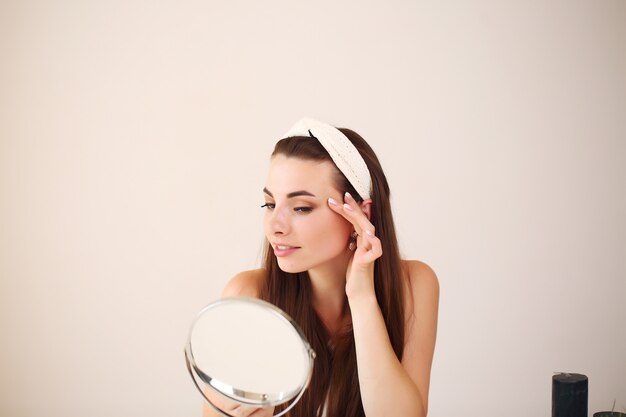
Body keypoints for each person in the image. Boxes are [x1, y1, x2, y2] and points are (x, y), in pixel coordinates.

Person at [203, 118, 439, 417]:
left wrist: (362, 295)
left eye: (301, 207)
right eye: (270, 204)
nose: (275, 226)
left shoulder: (413, 284)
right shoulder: (248, 294)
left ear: (359, 213)